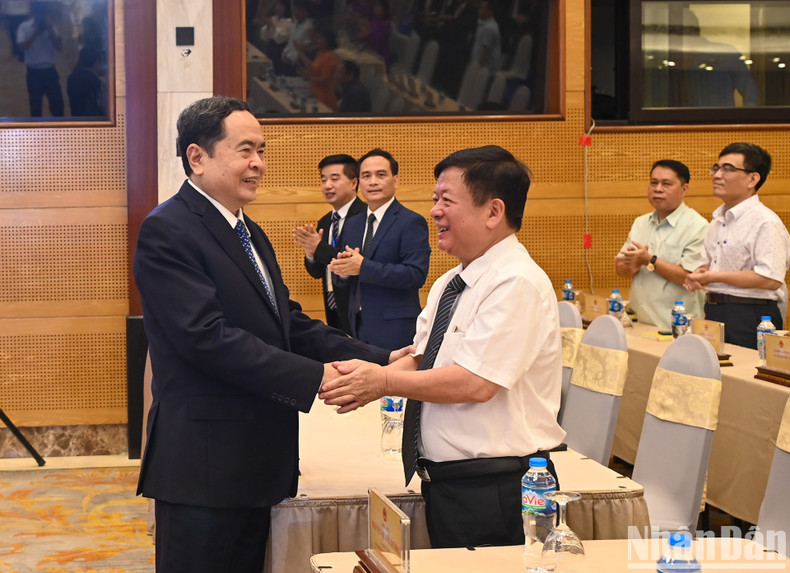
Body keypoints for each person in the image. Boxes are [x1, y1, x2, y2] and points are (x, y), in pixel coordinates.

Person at [133, 96, 398, 572]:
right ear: (197, 156)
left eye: (261, 150)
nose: (258, 163)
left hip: (254, 463)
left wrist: (383, 358)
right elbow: (206, 337)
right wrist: (320, 377)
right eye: (244, 150)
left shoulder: (249, 231)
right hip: (204, 469)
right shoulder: (168, 229)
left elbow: (288, 323)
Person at [321, 145, 566, 549]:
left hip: (497, 486)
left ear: (493, 211)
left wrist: (380, 382)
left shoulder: (515, 282)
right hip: (450, 482)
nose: (434, 210)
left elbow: (475, 383)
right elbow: (421, 358)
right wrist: (345, 380)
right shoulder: (452, 282)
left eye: (447, 200)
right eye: (435, 199)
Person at [684, 142, 790, 348]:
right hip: (714, 310)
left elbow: (770, 278)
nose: (717, 175)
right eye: (716, 168)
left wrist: (713, 276)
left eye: (728, 169)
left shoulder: (765, 222)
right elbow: (709, 265)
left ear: (753, 178)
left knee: (745, 378)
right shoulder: (717, 220)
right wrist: (699, 274)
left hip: (751, 316)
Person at [329, 148, 431, 351]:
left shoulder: (411, 222)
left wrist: (363, 267)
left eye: (381, 175)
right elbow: (350, 276)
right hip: (356, 325)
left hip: (395, 328)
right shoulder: (353, 223)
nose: (373, 181)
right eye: (366, 176)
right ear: (358, 182)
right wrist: (343, 270)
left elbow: (415, 274)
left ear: (395, 181)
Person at [614, 160, 708, 329]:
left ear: (684, 189)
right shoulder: (640, 223)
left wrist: (649, 260)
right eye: (653, 183)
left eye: (666, 184)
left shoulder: (698, 226)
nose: (658, 189)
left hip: (678, 326)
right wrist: (625, 265)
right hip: (639, 323)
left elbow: (689, 277)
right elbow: (623, 271)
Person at [293, 154, 367, 335]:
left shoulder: (366, 216)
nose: (327, 185)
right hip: (333, 308)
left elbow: (349, 262)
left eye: (334, 179)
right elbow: (318, 272)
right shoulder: (325, 221)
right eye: (323, 179)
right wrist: (311, 253)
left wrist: (318, 248)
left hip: (361, 309)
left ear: (353, 183)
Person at [16, 1, 63, 117]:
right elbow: (21, 47)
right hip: (33, 73)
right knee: (35, 108)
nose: (41, 16)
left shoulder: (52, 27)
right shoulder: (24, 27)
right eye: (39, 13)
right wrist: (35, 33)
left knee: (58, 107)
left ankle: (60, 131)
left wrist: (51, 30)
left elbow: (59, 48)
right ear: (33, 13)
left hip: (50, 71)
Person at [67, 46, 103, 116]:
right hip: (95, 122)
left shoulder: (72, 78)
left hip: (76, 120)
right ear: (96, 62)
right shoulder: (95, 81)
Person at [471, 0, 501, 75]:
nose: (478, 11)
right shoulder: (483, 24)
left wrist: (477, 70)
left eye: (481, 9)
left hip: (485, 71)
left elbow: (485, 51)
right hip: (477, 66)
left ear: (489, 12)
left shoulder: (489, 28)